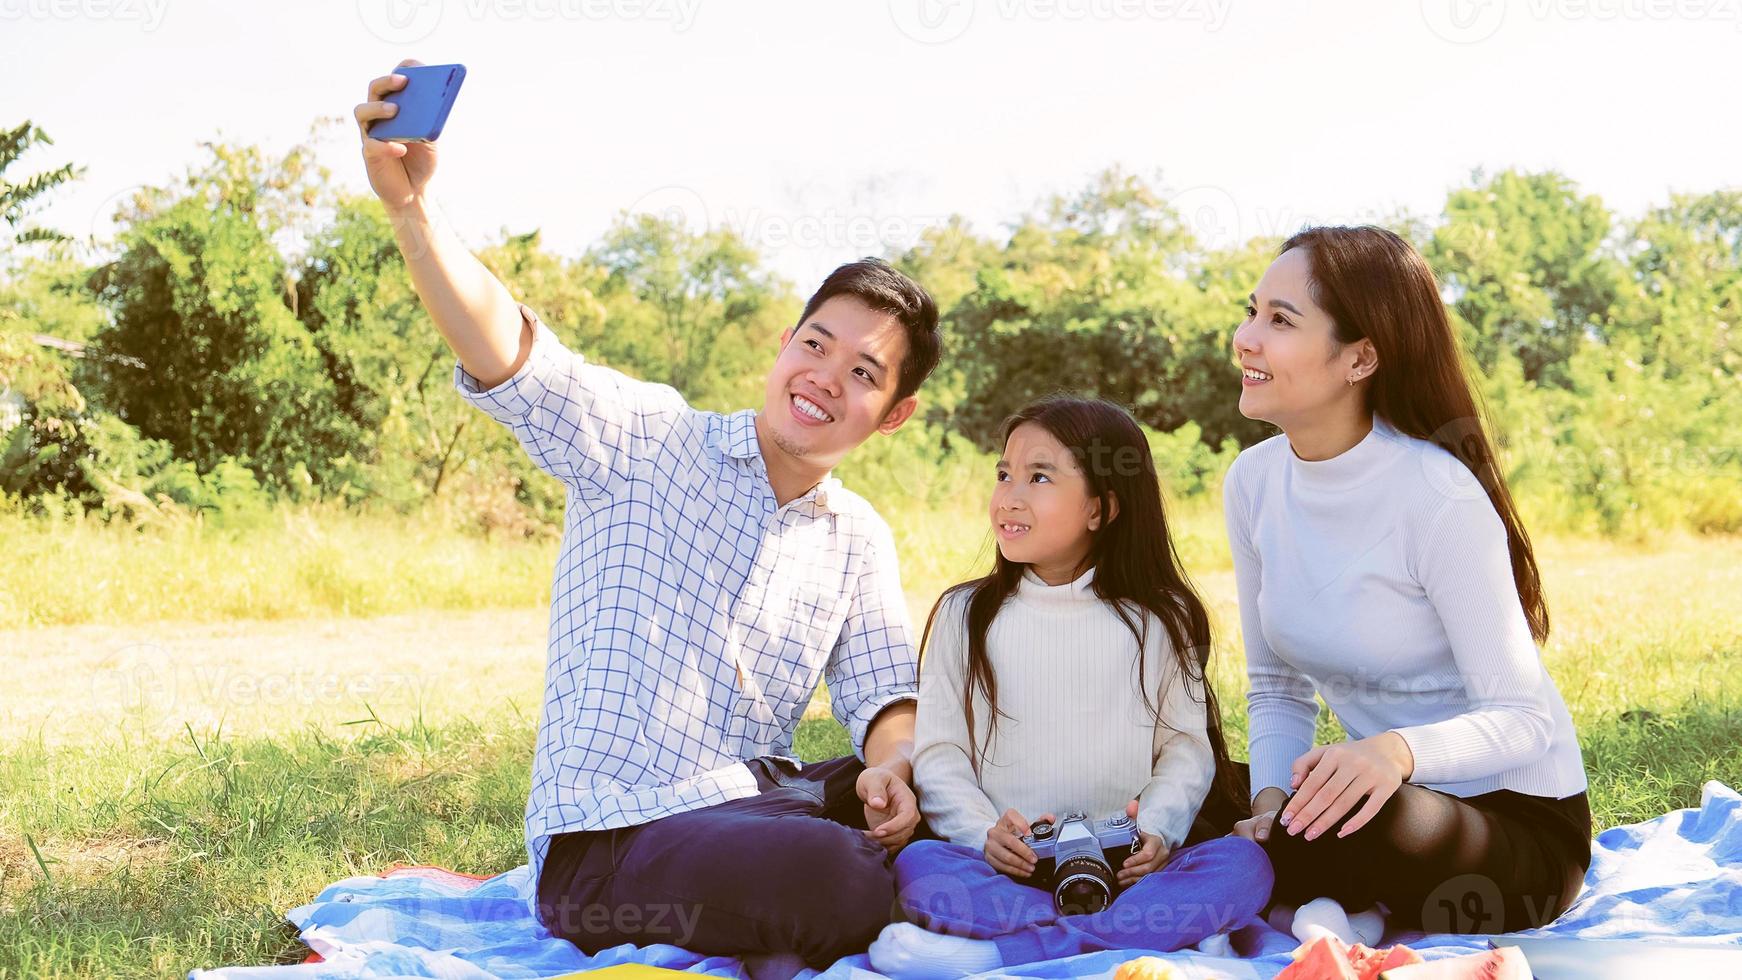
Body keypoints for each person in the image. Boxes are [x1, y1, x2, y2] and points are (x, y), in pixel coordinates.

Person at [354, 60, 944, 967]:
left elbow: (883, 697)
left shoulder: (855, 535)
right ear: (784, 346)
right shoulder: (646, 439)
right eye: (816, 344)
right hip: (614, 839)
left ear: (894, 412)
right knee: (837, 875)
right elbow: (506, 348)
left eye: (863, 373)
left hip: (759, 801)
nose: (826, 376)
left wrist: (892, 771)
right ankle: (912, 907)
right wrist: (412, 211)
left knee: (958, 783)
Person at [1223, 225, 1591, 943]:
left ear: (1360, 356)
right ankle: (1292, 864)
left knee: (1354, 824)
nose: (1246, 338)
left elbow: (1524, 719)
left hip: (1505, 822)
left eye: (1280, 320)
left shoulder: (1435, 495)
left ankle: (1301, 879)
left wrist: (1394, 752)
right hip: (1372, 800)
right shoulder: (1254, 484)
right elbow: (1275, 689)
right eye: (1251, 310)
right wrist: (1267, 800)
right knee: (1198, 783)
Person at [868, 396, 1272, 979]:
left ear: (1101, 509)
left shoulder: (1161, 617)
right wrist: (980, 833)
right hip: (1013, 865)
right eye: (1003, 473)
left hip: (1124, 863)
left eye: (1038, 476)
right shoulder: (965, 614)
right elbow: (940, 751)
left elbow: (1185, 747)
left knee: (1244, 866)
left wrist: (1156, 828)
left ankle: (1005, 951)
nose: (1008, 494)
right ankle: (1128, 937)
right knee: (925, 867)